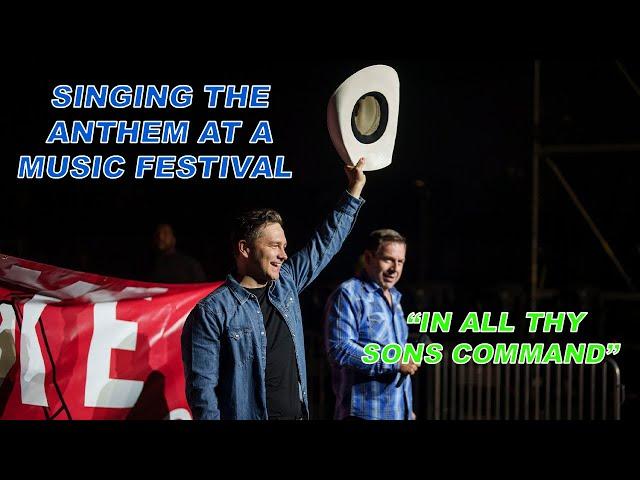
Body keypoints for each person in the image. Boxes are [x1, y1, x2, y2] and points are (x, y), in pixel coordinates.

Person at [181, 158, 366, 420]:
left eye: (284, 246)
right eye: (274, 246)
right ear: (244, 249)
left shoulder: (285, 285)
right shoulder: (211, 312)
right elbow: (203, 394)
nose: (283, 254)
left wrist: (354, 190)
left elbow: (324, 244)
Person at [324, 229, 418, 420]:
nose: (395, 268)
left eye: (400, 262)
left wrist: (407, 410)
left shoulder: (395, 297)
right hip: (365, 415)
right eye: (388, 259)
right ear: (368, 257)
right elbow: (340, 348)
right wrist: (394, 362)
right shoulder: (348, 294)